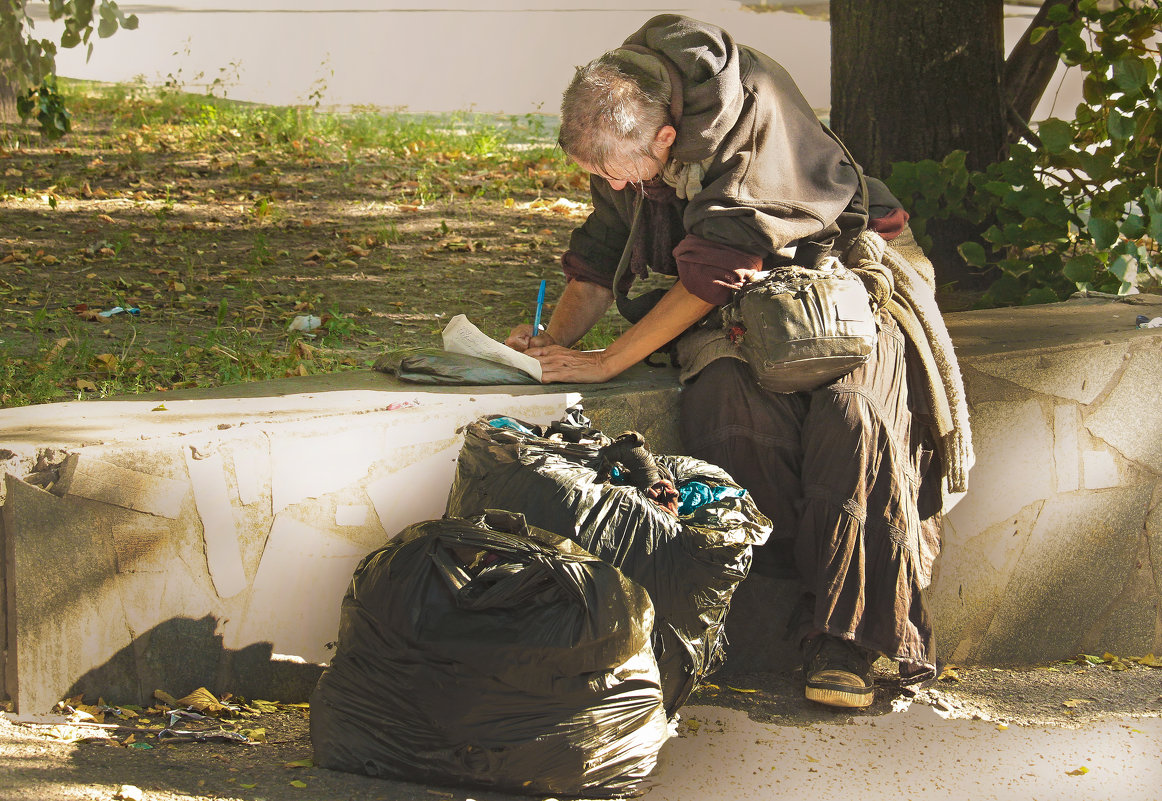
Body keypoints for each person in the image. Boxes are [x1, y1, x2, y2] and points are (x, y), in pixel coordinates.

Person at [505, 14, 973, 709]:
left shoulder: (743, 111)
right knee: (724, 404)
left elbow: (717, 268)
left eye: (611, 170)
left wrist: (606, 364)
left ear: (665, 138)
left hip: (835, 280)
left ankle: (848, 640)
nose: (606, 181)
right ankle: (787, 614)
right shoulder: (630, 114)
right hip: (742, 308)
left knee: (854, 418)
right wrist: (556, 340)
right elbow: (604, 250)